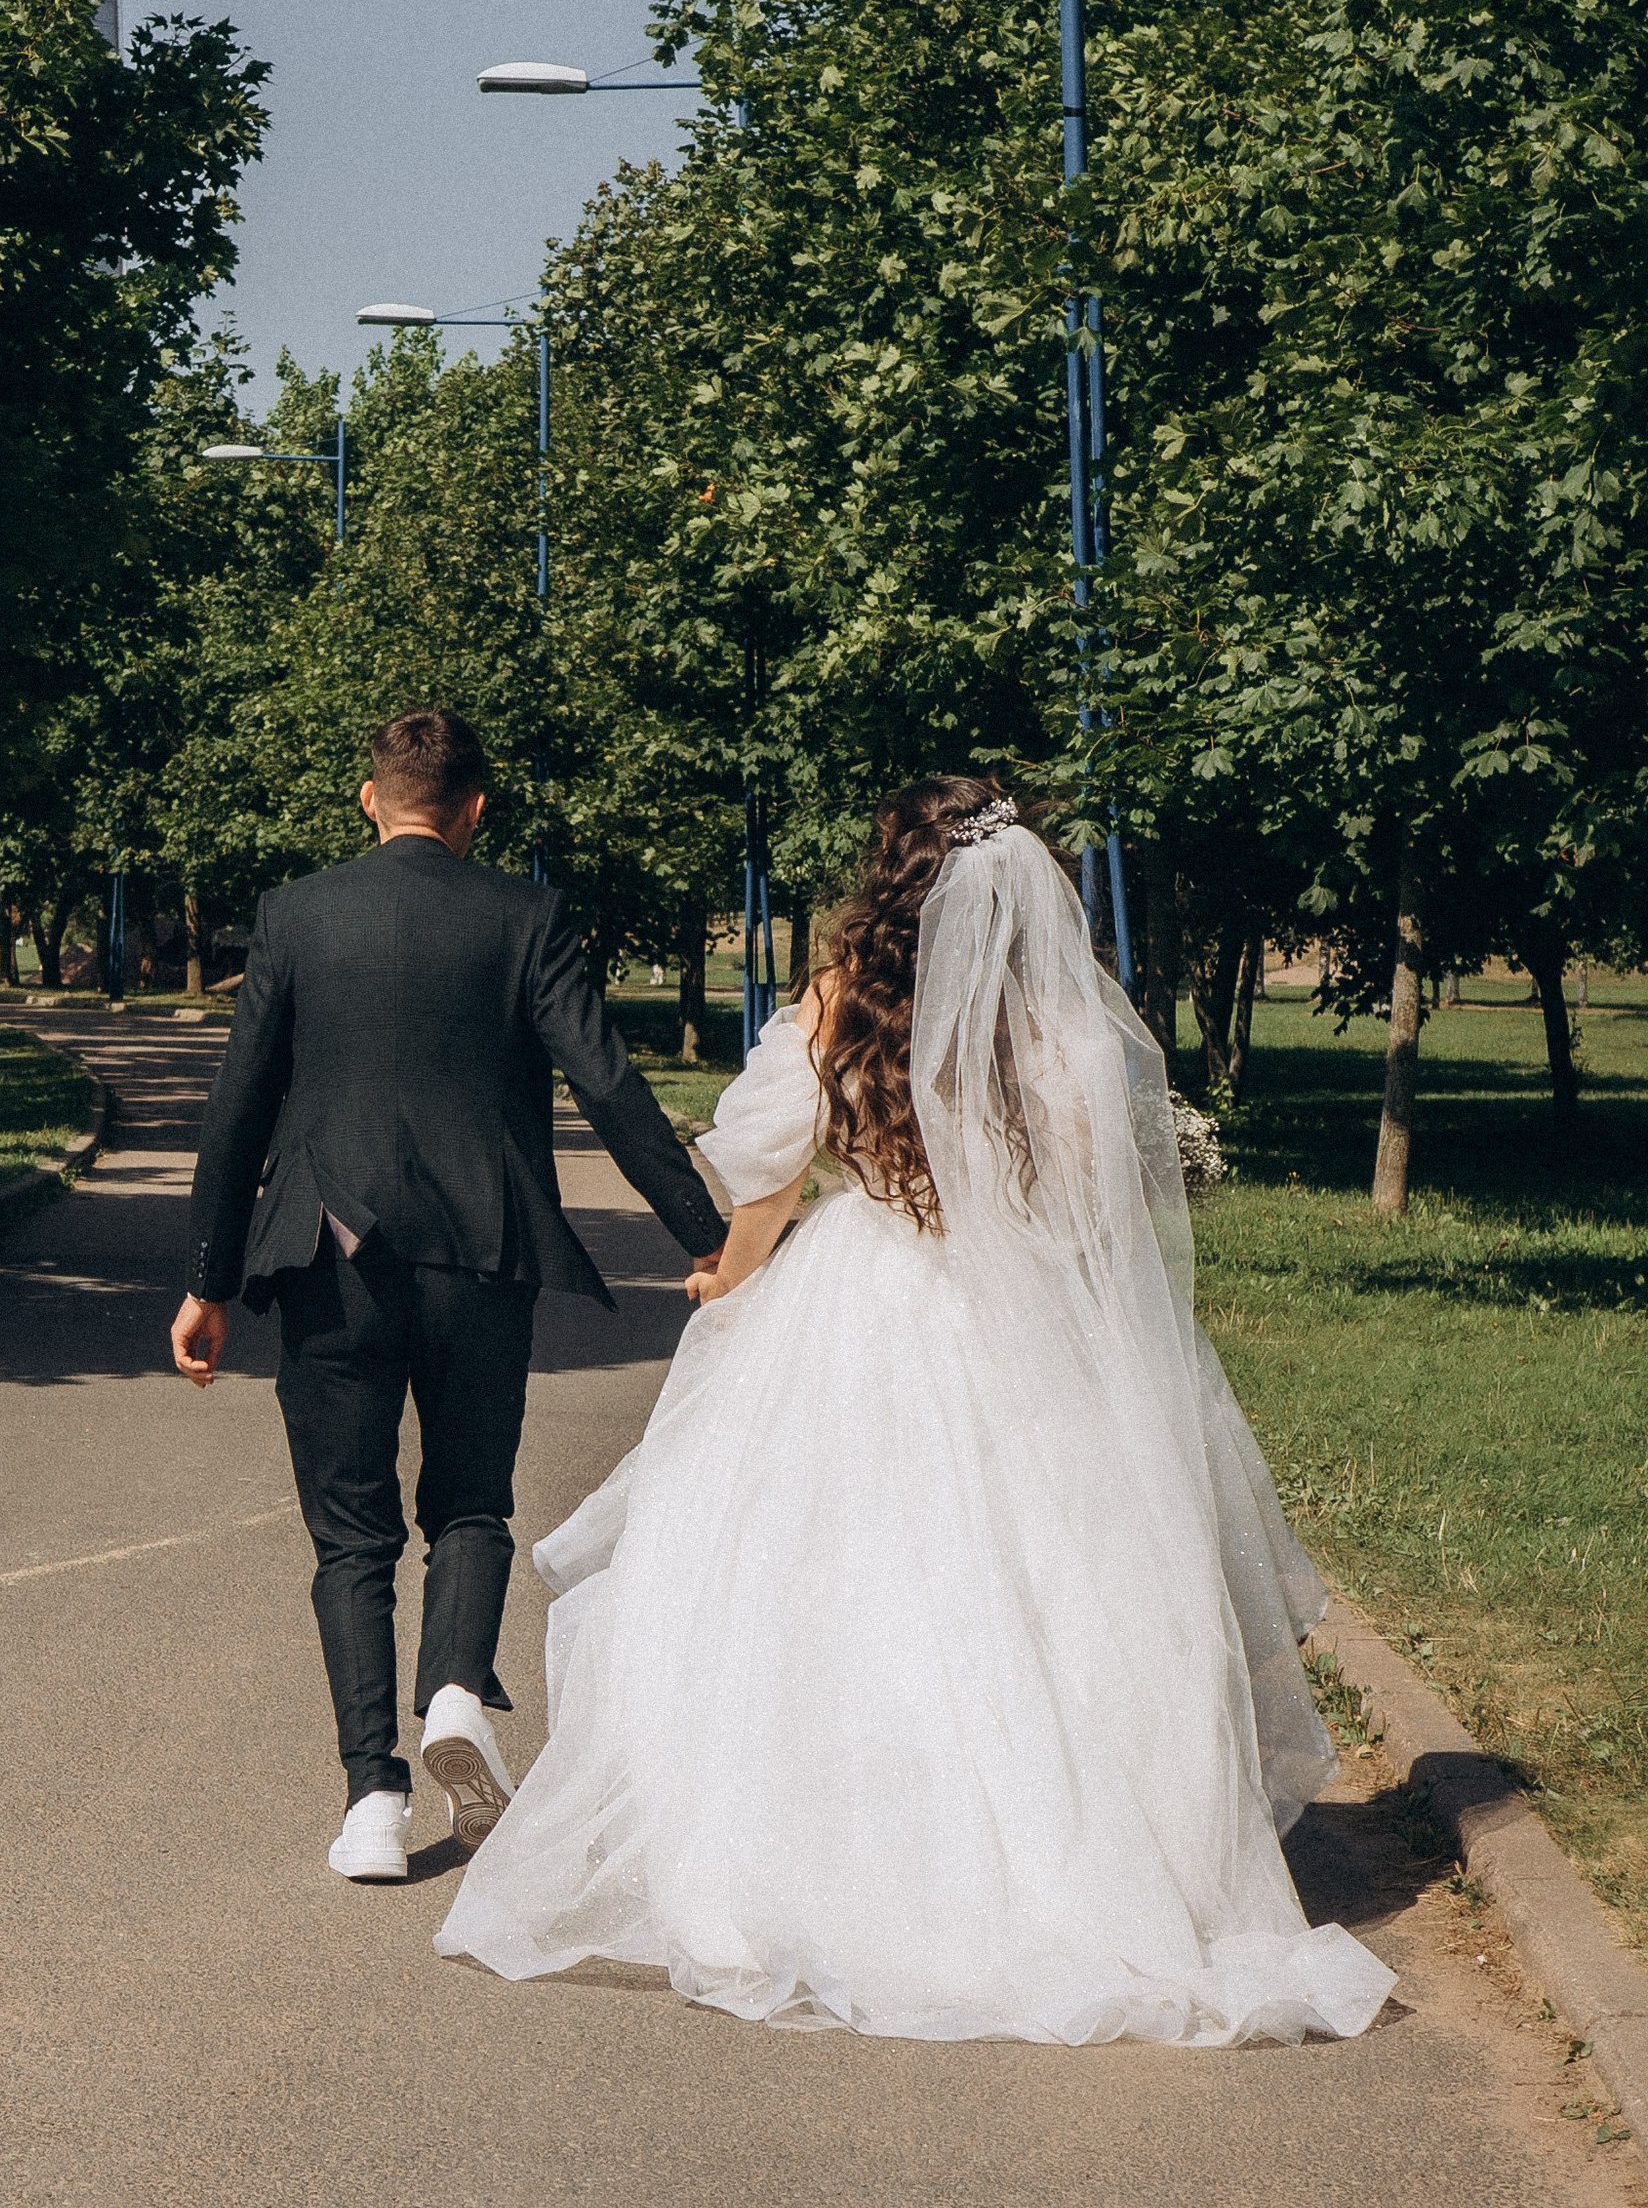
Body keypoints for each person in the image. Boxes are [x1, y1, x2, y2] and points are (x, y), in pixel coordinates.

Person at [436, 776, 1395, 2049]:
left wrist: (727, 1281)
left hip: (860, 1298)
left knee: (827, 1586)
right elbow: (1098, 1229)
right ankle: (1079, 1861)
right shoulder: (1068, 1033)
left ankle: (828, 1857)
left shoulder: (837, 1006)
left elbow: (766, 1185)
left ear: (894, 881)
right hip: (1025, 1326)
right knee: (1040, 1592)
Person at [171, 708, 730, 1882]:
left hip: (324, 1253)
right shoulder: (523, 915)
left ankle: (372, 1800)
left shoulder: (296, 913)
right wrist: (709, 1237)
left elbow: (235, 1109)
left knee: (350, 1534)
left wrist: (207, 1281)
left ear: (368, 799)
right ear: (477, 808)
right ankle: (454, 1696)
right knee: (470, 1504)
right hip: (484, 1248)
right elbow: (608, 1084)